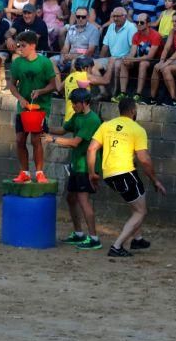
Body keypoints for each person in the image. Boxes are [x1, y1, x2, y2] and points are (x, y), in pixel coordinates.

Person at [86, 97, 166, 258]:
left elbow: (91, 149)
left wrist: (92, 173)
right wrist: (155, 180)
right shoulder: (137, 129)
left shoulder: (106, 125)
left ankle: (137, 238)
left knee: (136, 201)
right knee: (141, 211)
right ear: (133, 111)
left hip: (109, 174)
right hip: (124, 173)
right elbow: (144, 159)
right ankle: (117, 246)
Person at [43, 88, 103, 250]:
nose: (73, 105)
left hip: (86, 166)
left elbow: (75, 142)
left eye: (75, 103)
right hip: (77, 165)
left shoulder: (92, 120)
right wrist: (45, 128)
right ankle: (78, 234)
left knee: (83, 201)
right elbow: (63, 129)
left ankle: (94, 238)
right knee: (71, 199)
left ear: (84, 103)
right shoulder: (77, 116)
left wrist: (52, 139)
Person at [6, 30, 55, 184]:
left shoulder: (45, 63)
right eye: (19, 45)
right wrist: (20, 98)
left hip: (41, 107)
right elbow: (12, 85)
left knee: (35, 140)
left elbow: (53, 85)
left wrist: (41, 91)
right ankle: (25, 172)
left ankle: (39, 172)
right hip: (24, 107)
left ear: (33, 46)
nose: (20, 48)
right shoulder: (17, 63)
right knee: (20, 139)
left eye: (23, 45)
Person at [119, 13, 163, 101]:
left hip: (155, 60)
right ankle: (123, 93)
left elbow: (150, 56)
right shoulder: (136, 35)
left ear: (148, 24)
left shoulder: (156, 35)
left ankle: (138, 94)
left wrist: (133, 59)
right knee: (124, 63)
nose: (138, 24)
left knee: (143, 64)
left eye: (141, 22)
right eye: (137, 22)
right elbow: (132, 52)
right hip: (141, 59)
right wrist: (128, 59)